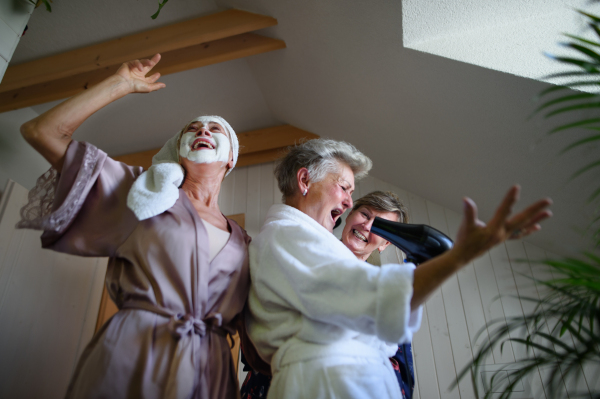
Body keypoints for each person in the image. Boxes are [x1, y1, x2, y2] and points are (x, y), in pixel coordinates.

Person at [17, 54, 250, 398]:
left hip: (210, 373)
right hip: (134, 355)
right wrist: (120, 84)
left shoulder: (245, 241)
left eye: (215, 129)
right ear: (178, 151)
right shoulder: (144, 191)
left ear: (231, 158)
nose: (203, 130)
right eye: (193, 128)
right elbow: (42, 131)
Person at [246, 139, 552, 399]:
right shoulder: (289, 235)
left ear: (386, 245)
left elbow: (387, 331)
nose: (349, 202)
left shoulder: (310, 243)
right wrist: (459, 257)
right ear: (304, 180)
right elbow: (371, 299)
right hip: (329, 383)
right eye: (344, 188)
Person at [240, 190, 415, 399]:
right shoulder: (300, 251)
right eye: (365, 214)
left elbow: (401, 376)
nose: (367, 226)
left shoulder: (386, 293)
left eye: (381, 227)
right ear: (349, 215)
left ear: (385, 244)